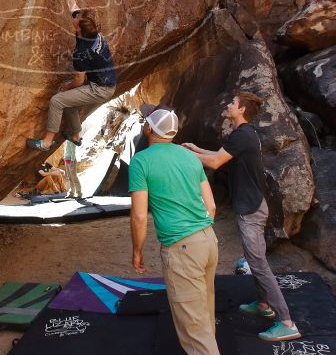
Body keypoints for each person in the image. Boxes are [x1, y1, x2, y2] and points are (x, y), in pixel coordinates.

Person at [182, 91, 301, 342]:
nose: (228, 104)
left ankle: (287, 322)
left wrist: (181, 154)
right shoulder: (243, 135)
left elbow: (214, 163)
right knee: (253, 257)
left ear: (242, 110)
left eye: (232, 103)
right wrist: (195, 148)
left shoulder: (243, 135)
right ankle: (263, 304)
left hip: (251, 208)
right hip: (252, 205)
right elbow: (220, 156)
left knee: (258, 263)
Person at [129, 109, 219, 355]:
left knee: (194, 330)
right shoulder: (190, 157)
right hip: (208, 239)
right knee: (204, 311)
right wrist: (200, 230)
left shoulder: (141, 161)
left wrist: (137, 250)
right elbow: (210, 206)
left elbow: (139, 215)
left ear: (149, 129)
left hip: (182, 246)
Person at [26, 12, 117, 151]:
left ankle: (46, 143)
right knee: (69, 103)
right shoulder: (94, 35)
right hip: (106, 82)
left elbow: (79, 80)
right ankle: (76, 137)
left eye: (78, 19)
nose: (76, 18)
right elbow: (76, 11)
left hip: (100, 89)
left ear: (80, 30)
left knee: (57, 100)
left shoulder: (82, 53)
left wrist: (67, 87)